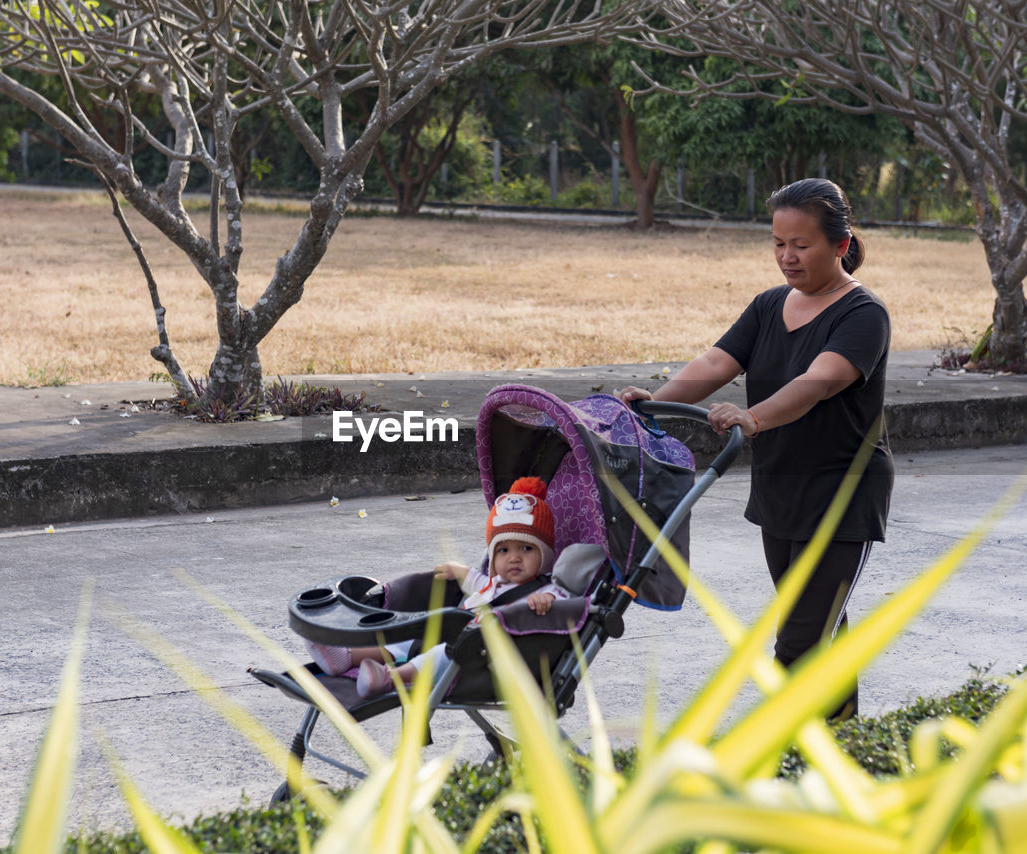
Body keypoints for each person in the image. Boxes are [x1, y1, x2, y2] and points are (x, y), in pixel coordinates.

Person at [619, 177, 893, 722]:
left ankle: (781, 749)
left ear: (840, 246)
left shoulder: (864, 314)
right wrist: (652, 405)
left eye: (801, 245)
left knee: (798, 638)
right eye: (777, 243)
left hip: (843, 494)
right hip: (781, 488)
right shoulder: (770, 306)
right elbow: (716, 364)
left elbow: (819, 381)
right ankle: (845, 739)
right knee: (821, 626)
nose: (786, 257)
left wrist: (753, 416)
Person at [304, 476, 569, 698]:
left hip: (478, 656)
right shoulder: (494, 582)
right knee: (409, 638)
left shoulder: (544, 590)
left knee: (441, 653)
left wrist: (547, 601)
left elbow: (564, 603)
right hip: (456, 633)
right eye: (503, 550)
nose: (514, 557)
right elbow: (473, 580)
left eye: (526, 549)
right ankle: (347, 657)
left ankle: (391, 678)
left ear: (544, 556)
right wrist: (459, 570)